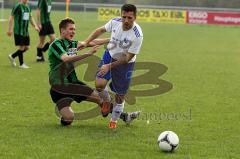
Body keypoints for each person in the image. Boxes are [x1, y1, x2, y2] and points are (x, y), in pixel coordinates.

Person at [49, 18, 140, 126]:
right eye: (70, 29)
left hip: (72, 83)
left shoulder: (72, 44)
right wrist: (88, 54)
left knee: (99, 99)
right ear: (62, 30)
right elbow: (66, 58)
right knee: (69, 118)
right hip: (59, 85)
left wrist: (112, 39)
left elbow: (91, 42)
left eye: (74, 29)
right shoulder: (56, 44)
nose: (73, 31)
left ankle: (124, 116)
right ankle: (119, 112)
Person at [80, 4, 143, 128]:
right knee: (99, 85)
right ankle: (107, 102)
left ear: (135, 17)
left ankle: (113, 121)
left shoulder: (137, 35)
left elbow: (127, 58)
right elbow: (100, 30)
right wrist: (86, 42)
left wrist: (109, 66)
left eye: (130, 18)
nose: (126, 20)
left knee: (120, 96)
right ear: (121, 15)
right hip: (109, 55)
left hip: (125, 64)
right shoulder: (115, 22)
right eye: (124, 16)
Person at [7, 0, 39, 69]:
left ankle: (13, 56)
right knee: (21, 47)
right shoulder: (17, 6)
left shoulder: (28, 7)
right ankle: (21, 64)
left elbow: (30, 17)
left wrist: (35, 26)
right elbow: (11, 17)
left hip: (25, 32)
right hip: (18, 31)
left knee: (27, 47)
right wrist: (9, 29)